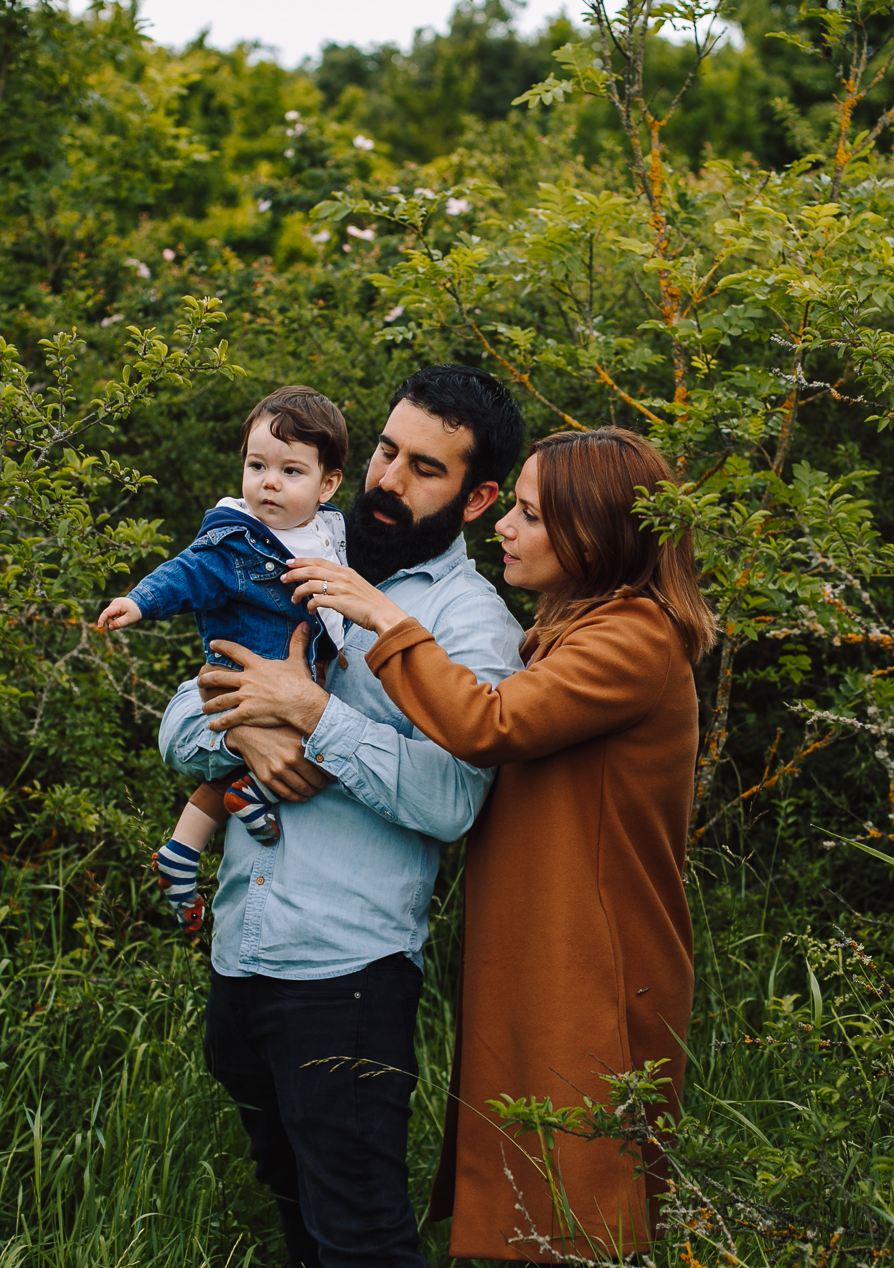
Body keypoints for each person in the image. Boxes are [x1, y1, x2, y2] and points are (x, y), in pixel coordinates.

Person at [209, 426, 716, 1263]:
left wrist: (381, 616)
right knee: (528, 1193)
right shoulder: (565, 632)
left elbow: (488, 724)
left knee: (576, 1208)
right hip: (535, 948)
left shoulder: (635, 639)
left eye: (527, 514)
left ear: (594, 532)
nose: (504, 530)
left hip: (594, 960)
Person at [159, 364, 529, 1268]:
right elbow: (178, 729)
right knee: (297, 1224)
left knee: (361, 1239)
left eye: (425, 469)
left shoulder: (470, 623)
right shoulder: (289, 554)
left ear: (478, 498)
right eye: (386, 451)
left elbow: (450, 802)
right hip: (241, 958)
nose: (389, 481)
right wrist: (251, 739)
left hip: (346, 978)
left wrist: (316, 718)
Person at [97, 385, 352, 937]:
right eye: (257, 464)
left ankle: (183, 852)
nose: (269, 482)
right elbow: (185, 574)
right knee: (319, 742)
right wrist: (138, 602)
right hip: (245, 679)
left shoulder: (326, 532)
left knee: (338, 737)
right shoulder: (237, 541)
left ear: (327, 484)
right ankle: (235, 807)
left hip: (294, 683)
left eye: (291, 471)